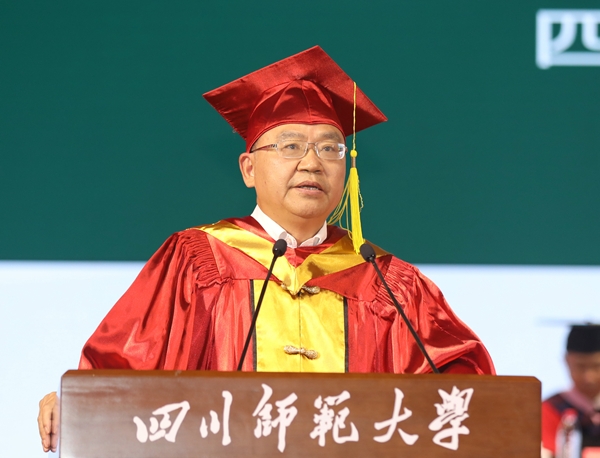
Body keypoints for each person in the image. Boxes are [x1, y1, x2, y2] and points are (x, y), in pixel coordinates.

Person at [38, 45, 495, 453]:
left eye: (330, 149)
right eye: (291, 145)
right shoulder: (196, 261)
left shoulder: (389, 285)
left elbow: (466, 399)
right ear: (248, 168)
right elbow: (124, 371)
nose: (312, 162)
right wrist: (78, 402)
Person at [542, 324, 600, 458]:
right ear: (567, 362)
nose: (588, 377)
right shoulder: (551, 408)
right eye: (580, 366)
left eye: (597, 366)